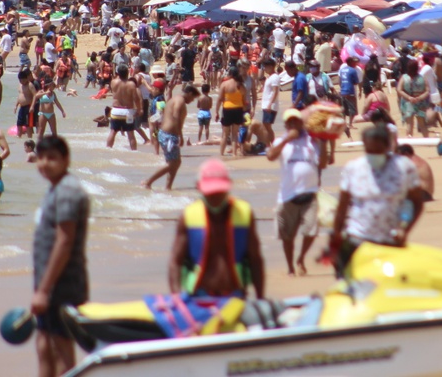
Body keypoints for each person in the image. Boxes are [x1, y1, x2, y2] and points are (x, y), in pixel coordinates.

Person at [329, 122, 428, 273]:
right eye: (369, 150)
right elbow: (342, 207)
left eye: (377, 150)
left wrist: (404, 230)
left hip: (389, 241)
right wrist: (335, 238)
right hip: (357, 239)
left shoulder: (404, 168)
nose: (373, 154)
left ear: (387, 146)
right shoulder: (353, 168)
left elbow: (417, 203)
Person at [32, 136, 90, 377]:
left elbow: (64, 242)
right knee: (45, 344)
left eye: (52, 158)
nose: (45, 163)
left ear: (66, 160)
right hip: (52, 283)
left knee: (61, 349)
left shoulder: (67, 191)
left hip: (62, 284)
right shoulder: (56, 188)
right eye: (41, 158)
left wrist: (44, 290)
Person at [168, 159, 265, 299]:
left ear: (229, 187)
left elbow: (255, 259)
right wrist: (176, 296)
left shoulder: (244, 214)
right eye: (210, 192)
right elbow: (175, 261)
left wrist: (260, 298)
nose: (215, 197)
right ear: (198, 187)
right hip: (198, 296)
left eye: (219, 191)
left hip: (235, 295)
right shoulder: (188, 217)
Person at [266, 109, 326, 276]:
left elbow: (323, 163)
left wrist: (325, 143)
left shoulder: (311, 141)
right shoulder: (281, 141)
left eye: (296, 122)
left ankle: (301, 257)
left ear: (301, 123)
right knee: (287, 236)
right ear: (285, 125)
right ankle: (291, 267)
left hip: (309, 194)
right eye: (290, 122)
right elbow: (270, 156)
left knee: (311, 231)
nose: (293, 125)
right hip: (287, 196)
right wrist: (287, 140)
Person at [144, 84, 199, 191]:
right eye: (193, 98)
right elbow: (176, 116)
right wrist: (180, 136)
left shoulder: (173, 99)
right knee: (174, 163)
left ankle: (168, 187)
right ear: (190, 93)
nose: (192, 101)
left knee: (175, 162)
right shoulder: (180, 101)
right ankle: (148, 181)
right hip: (169, 135)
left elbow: (163, 114)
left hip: (165, 134)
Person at [106, 65, 143, 151]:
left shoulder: (113, 82)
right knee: (130, 134)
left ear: (118, 73)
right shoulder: (131, 84)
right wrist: (139, 109)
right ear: (127, 73)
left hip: (116, 111)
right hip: (128, 112)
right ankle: (134, 152)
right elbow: (136, 98)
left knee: (113, 132)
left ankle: (107, 150)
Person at [218, 67, 247, 158]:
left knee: (225, 134)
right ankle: (234, 154)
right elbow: (244, 100)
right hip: (238, 109)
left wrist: (216, 112)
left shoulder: (225, 84)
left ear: (230, 74)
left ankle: (221, 154)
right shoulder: (241, 85)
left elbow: (219, 99)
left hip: (227, 109)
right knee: (235, 134)